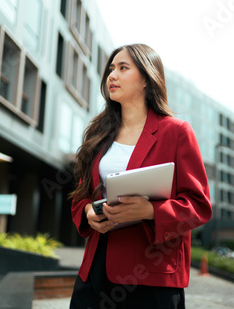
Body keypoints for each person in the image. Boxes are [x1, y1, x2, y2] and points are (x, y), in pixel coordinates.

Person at [69, 44, 212, 308]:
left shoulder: (177, 132)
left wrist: (150, 210)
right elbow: (80, 195)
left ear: (147, 79)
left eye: (123, 68)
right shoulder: (98, 134)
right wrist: (88, 211)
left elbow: (199, 206)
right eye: (111, 69)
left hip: (150, 276)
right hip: (95, 271)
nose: (112, 75)